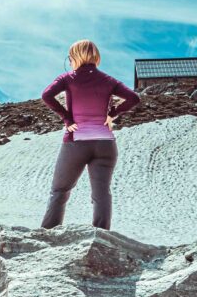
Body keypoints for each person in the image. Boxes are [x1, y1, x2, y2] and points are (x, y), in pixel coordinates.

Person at [39, 39, 141, 230]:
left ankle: (47, 234)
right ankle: (101, 237)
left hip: (77, 142)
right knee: (101, 194)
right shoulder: (109, 80)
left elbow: (46, 95)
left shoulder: (67, 78)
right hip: (105, 144)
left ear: (75, 57)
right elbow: (134, 98)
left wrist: (67, 119)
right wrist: (112, 114)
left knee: (60, 191)